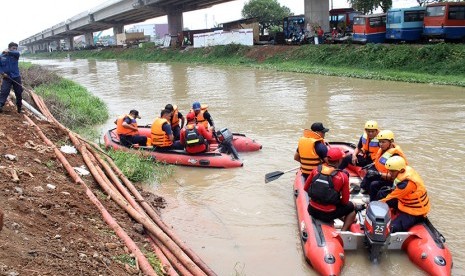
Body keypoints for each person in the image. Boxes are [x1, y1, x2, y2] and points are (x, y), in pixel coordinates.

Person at [304, 148, 356, 231]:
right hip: (327, 214)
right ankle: (343, 230)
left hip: (311, 209)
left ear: (327, 159)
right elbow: (345, 201)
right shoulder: (343, 176)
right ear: (339, 161)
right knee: (352, 207)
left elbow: (305, 188)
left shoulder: (316, 170)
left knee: (334, 205)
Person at [379, 156, 430, 232]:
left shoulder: (406, 184)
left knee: (393, 227)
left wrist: (374, 205)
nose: (390, 173)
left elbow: (390, 197)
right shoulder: (404, 171)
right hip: (405, 203)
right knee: (382, 193)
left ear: (401, 170)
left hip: (414, 211)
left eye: (392, 171)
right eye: (389, 171)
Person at [363, 130, 408, 201]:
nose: (381, 144)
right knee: (369, 173)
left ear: (391, 141)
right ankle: (366, 190)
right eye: (380, 142)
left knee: (374, 184)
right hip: (385, 174)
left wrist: (378, 174)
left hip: (392, 180)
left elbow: (394, 175)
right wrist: (373, 164)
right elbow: (380, 162)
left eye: (383, 142)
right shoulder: (383, 150)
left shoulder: (395, 155)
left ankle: (373, 202)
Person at [0, 42, 23, 113]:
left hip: (16, 77)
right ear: (9, 47)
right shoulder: (2, 56)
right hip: (7, 78)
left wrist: (9, 52)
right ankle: (0, 105)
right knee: (4, 92)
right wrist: (2, 73)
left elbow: (17, 53)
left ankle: (19, 108)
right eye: (13, 48)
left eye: (16, 48)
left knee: (18, 92)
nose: (15, 50)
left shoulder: (16, 55)